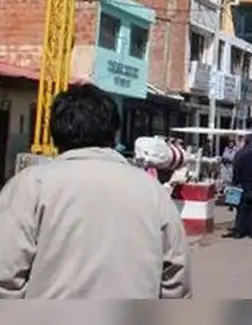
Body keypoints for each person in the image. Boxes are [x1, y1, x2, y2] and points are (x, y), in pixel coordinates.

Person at [0, 84, 191, 299]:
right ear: (114, 132)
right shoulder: (152, 191)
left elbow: (6, 274)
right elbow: (176, 278)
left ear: (55, 133)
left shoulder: (29, 186)